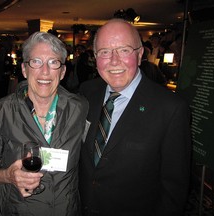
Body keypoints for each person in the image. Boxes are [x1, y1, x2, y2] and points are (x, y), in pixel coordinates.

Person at [79, 19, 191, 216]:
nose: (114, 61)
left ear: (139, 55)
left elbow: (174, 188)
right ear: (95, 57)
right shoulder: (86, 92)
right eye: (104, 52)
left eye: (124, 50)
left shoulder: (171, 109)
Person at [0, 32, 88, 216]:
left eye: (53, 62)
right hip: (18, 209)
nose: (45, 71)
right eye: (36, 61)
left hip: (66, 210)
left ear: (63, 72)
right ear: (24, 69)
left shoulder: (80, 108)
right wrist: (8, 176)